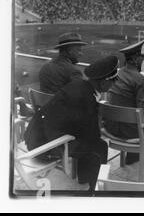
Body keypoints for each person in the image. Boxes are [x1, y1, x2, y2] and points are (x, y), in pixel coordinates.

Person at [24, 55, 119, 192]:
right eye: (113, 81)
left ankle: (84, 179)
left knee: (90, 143)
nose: (114, 84)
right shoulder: (87, 99)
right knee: (99, 147)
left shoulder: (79, 86)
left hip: (36, 136)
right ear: (103, 82)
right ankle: (94, 189)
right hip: (44, 147)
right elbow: (92, 135)